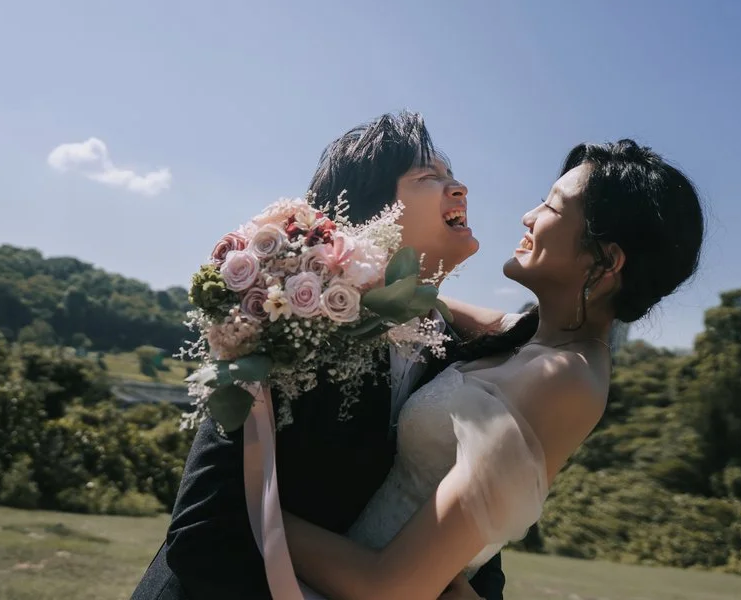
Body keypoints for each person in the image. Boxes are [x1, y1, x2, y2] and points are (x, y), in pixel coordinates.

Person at [280, 139, 705, 600]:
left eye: (552, 207)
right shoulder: (530, 337)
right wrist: (318, 265)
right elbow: (421, 299)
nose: (529, 216)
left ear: (606, 260)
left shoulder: (565, 380)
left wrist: (252, 509)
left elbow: (391, 588)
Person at [132, 113, 519, 600]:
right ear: (373, 213)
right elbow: (205, 530)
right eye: (429, 177)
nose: (459, 188)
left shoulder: (460, 358)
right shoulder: (297, 317)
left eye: (452, 175)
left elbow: (470, 533)